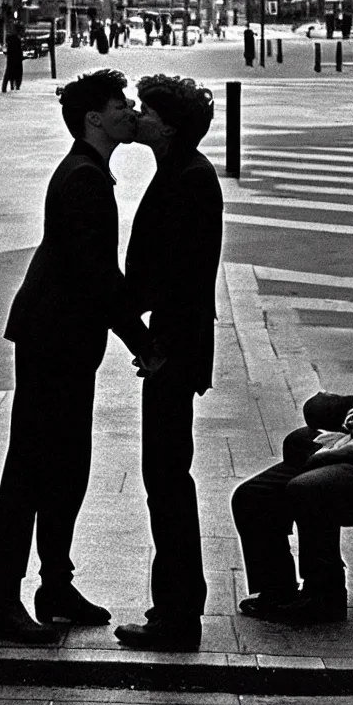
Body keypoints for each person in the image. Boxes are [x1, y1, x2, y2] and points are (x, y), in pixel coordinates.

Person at [0, 69, 155, 645]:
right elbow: (96, 276)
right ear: (93, 119)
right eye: (120, 104)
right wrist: (144, 341)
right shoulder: (83, 178)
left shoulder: (89, 171)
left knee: (66, 465)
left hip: (65, 339)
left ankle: (55, 584)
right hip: (52, 340)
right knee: (32, 465)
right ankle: (1, 599)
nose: (131, 111)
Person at [114, 75, 223, 651]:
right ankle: (177, 607)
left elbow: (178, 278)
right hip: (173, 345)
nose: (138, 115)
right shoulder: (181, 169)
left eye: (147, 110)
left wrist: (153, 350)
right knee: (167, 478)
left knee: (167, 479)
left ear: (170, 124)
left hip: (174, 349)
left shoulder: (189, 178)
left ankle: (177, 615)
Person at [232, 390, 353, 625]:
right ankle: (277, 589)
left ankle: (324, 596)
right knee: (251, 495)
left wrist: (330, 454)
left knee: (307, 488)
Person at [1, 24, 24, 93]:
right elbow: (19, 50)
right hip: (16, 59)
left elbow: (8, 49)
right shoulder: (17, 40)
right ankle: (15, 86)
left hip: (11, 58)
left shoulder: (11, 39)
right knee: (16, 73)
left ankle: (6, 87)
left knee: (9, 73)